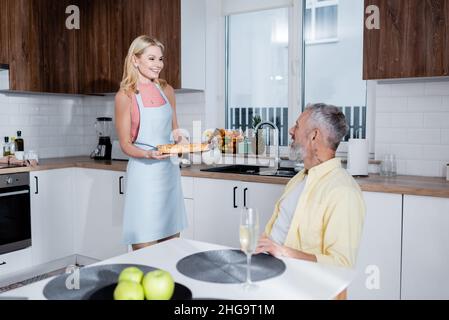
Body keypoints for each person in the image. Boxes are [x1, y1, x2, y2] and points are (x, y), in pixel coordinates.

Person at [255, 103, 365, 268]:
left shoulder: (343, 192)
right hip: (267, 265)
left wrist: (284, 253)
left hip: (295, 279)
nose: (291, 130)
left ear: (314, 136)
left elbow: (342, 265)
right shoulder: (300, 177)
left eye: (297, 126)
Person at [115, 35, 187, 251]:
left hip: (169, 173)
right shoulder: (125, 96)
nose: (158, 65)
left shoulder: (167, 90)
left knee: (172, 247)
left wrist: (183, 142)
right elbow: (125, 144)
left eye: (161, 59)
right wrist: (148, 154)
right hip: (144, 176)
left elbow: (176, 130)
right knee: (145, 252)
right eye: (152, 59)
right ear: (135, 60)